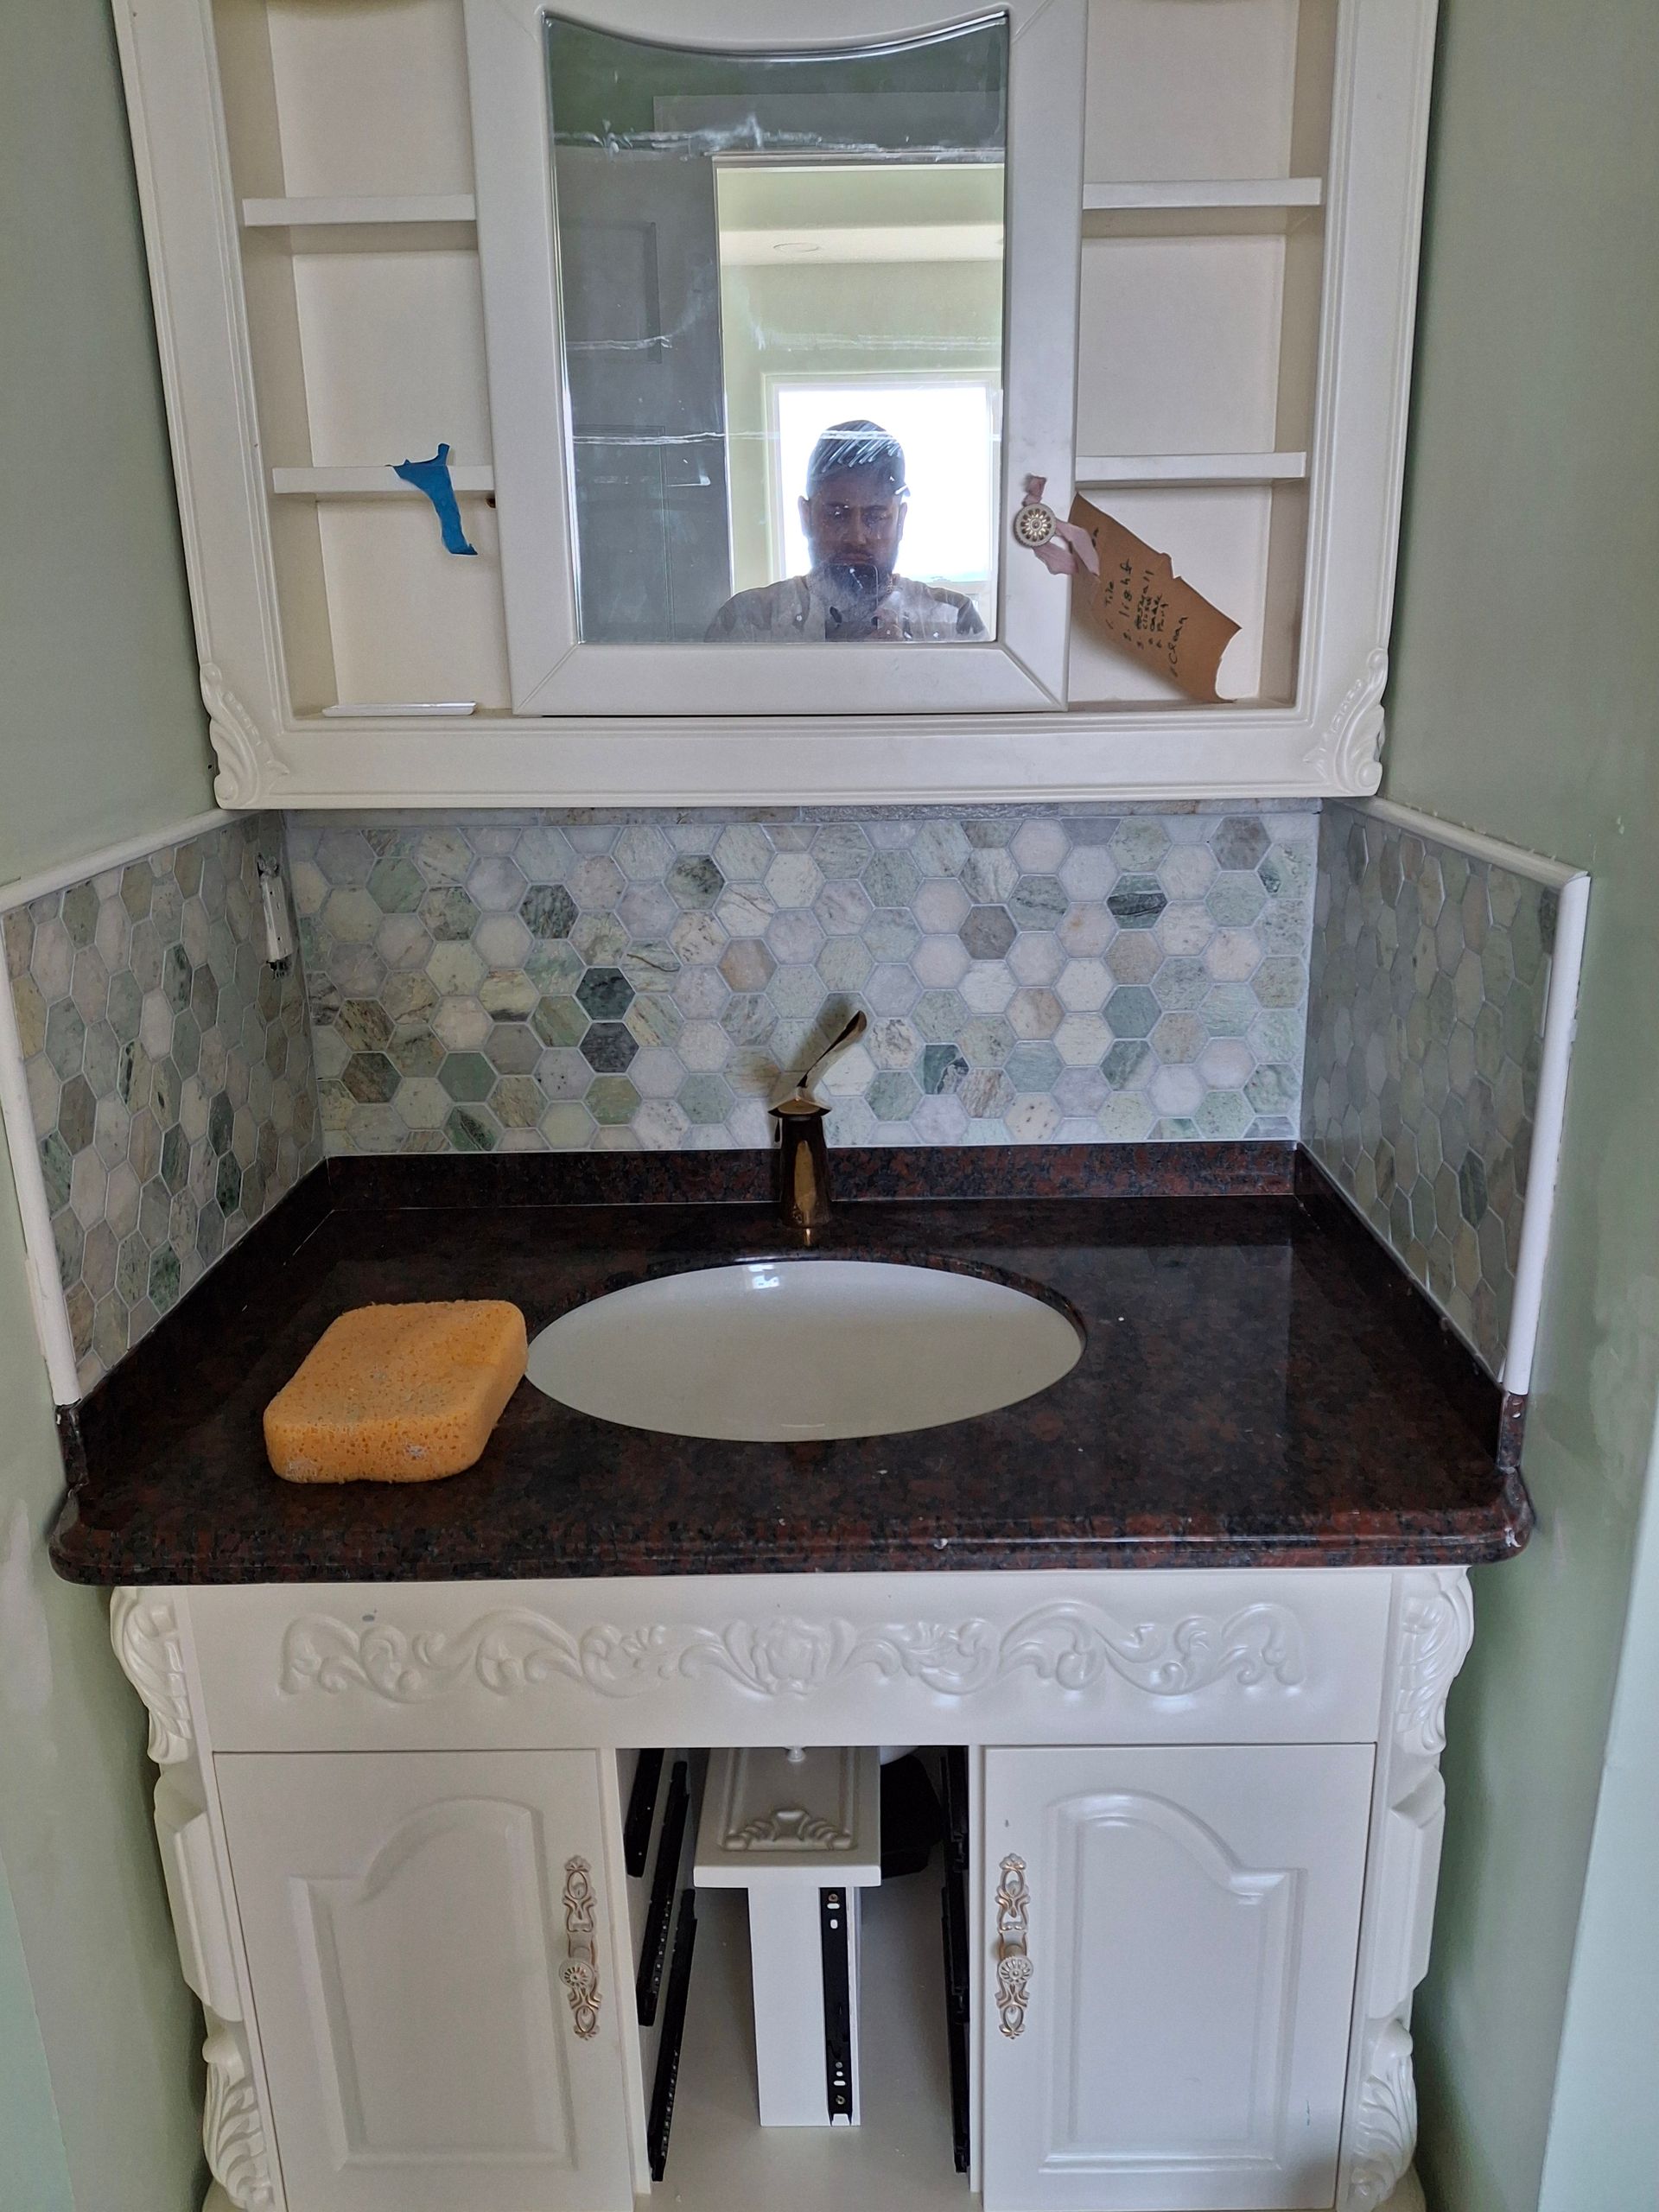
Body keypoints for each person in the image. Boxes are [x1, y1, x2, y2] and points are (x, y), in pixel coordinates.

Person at [705, 420, 986, 643]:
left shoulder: (952, 619)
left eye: (876, 517)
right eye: (837, 515)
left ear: (900, 521)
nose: (856, 536)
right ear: (806, 516)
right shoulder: (747, 620)